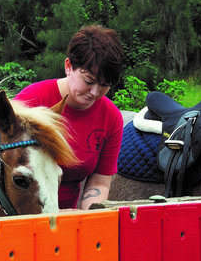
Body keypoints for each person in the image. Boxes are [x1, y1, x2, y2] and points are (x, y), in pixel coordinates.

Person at [16, 25, 125, 209]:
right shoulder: (29, 102)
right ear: (69, 66)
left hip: (70, 218)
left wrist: (85, 220)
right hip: (22, 215)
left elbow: (99, 182)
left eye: (105, 85)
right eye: (88, 81)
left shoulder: (111, 118)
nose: (94, 92)